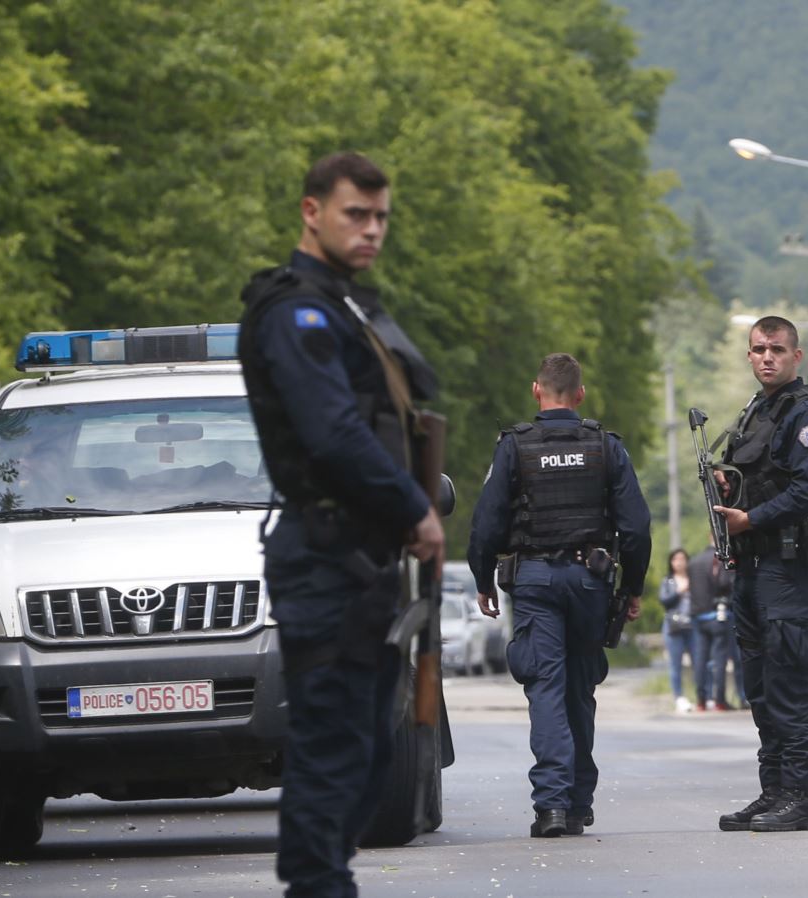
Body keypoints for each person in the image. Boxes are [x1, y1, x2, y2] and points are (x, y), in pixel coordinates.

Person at [237, 151, 445, 898]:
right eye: (356, 214)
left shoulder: (343, 306)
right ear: (311, 211)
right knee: (332, 751)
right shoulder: (297, 313)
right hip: (324, 557)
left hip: (360, 561)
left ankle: (324, 880)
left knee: (363, 757)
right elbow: (331, 434)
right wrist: (413, 507)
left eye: (381, 217)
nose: (371, 230)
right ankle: (318, 888)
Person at [467, 352, 652, 838]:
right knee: (578, 688)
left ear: (536, 391)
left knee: (545, 689)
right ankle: (576, 804)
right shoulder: (605, 446)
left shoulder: (515, 447)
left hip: (533, 581)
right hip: (589, 581)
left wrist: (483, 579)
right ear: (580, 395)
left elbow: (486, 520)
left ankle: (549, 806)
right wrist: (632, 587)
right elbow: (636, 525)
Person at [709, 315, 808, 834]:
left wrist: (750, 518)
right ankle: (774, 792)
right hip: (753, 569)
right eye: (759, 348)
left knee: (788, 685)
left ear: (796, 357)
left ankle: (800, 799)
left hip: (788, 571)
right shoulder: (756, 413)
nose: (767, 357)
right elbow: (761, 480)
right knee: (760, 688)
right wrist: (728, 489)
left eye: (777, 349)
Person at [688, 538, 739, 711]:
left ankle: (701, 700)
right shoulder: (719, 560)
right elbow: (725, 583)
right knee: (719, 660)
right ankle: (719, 700)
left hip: (698, 616)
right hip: (717, 615)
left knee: (700, 660)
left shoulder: (693, 561)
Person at [658, 549, 698, 713]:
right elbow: (664, 601)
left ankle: (703, 696)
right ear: (671, 562)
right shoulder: (668, 581)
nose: (680, 562)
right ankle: (679, 697)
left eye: (683, 559)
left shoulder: (695, 579)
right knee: (676, 665)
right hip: (674, 627)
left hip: (693, 625)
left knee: (700, 662)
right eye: (676, 559)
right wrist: (679, 591)